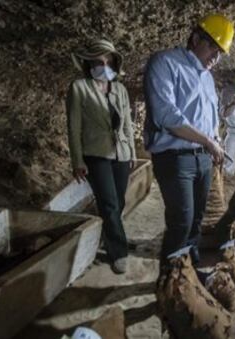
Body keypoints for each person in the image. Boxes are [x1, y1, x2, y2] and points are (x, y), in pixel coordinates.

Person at [143, 14, 235, 269]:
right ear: (195, 39)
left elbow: (209, 115)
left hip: (203, 158)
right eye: (212, 49)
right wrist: (208, 141)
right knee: (181, 221)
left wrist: (215, 140)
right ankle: (170, 283)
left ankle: (190, 274)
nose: (215, 58)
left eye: (220, 53)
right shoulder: (164, 63)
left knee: (196, 220)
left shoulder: (206, 77)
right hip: (175, 159)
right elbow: (166, 115)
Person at [67, 39, 135, 274]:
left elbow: (127, 124)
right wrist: (77, 160)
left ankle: (111, 236)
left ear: (114, 63)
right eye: (98, 61)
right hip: (95, 154)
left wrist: (132, 153)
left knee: (119, 201)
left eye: (108, 61)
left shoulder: (120, 89)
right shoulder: (79, 88)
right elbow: (73, 127)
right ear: (89, 64)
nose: (103, 65)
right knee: (108, 203)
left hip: (121, 153)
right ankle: (119, 252)